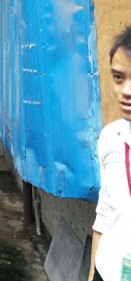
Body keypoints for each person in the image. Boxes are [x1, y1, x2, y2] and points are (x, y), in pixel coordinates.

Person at [89, 27, 131, 281]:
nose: (126, 90)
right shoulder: (110, 137)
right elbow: (103, 214)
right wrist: (91, 274)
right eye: (118, 77)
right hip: (107, 270)